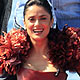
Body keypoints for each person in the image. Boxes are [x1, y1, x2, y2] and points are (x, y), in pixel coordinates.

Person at [0, 0, 80, 80]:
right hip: (22, 34)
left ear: (51, 21)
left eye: (43, 18)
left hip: (73, 34)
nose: (37, 24)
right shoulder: (12, 51)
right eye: (32, 19)